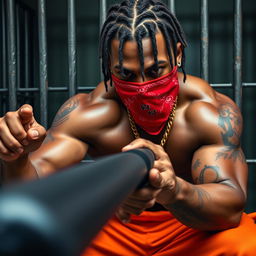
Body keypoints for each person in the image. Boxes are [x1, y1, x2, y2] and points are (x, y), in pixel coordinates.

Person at [1, 0, 256, 255]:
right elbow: (33, 191)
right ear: (109, 65)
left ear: (177, 54)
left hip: (188, 225)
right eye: (126, 74)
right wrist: (16, 156)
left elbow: (230, 209)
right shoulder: (89, 113)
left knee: (246, 246)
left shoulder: (209, 112)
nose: (143, 86)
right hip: (113, 223)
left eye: (156, 70)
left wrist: (173, 190)